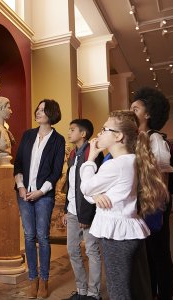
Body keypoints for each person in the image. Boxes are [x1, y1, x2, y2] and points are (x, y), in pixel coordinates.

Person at [80, 111, 168, 300]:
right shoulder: (130, 161)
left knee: (118, 290)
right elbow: (92, 193)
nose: (99, 133)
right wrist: (96, 195)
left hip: (117, 235)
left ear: (118, 136)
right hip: (127, 231)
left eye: (104, 129)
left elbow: (85, 187)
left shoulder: (115, 165)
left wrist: (89, 159)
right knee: (131, 286)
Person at [14, 99, 65, 299]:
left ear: (51, 114)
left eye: (43, 110)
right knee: (28, 236)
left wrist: (41, 192)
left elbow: (56, 172)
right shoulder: (28, 135)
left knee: (42, 237)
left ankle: (44, 280)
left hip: (43, 195)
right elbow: (18, 162)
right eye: (38, 109)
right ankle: (32, 279)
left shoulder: (58, 140)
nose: (38, 112)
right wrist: (20, 186)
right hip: (23, 193)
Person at [130, 87, 173, 300]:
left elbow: (162, 178)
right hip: (136, 206)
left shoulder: (155, 139)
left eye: (135, 108)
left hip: (153, 205)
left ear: (148, 114)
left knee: (159, 255)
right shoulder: (132, 138)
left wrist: (156, 205)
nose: (131, 112)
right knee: (144, 256)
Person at [62, 119, 103, 300]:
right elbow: (71, 185)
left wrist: (85, 215)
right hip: (72, 210)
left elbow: (93, 187)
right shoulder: (73, 154)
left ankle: (94, 294)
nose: (69, 132)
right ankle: (82, 291)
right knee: (72, 250)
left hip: (88, 212)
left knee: (92, 250)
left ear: (83, 134)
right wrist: (66, 209)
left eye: (72, 130)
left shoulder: (93, 153)